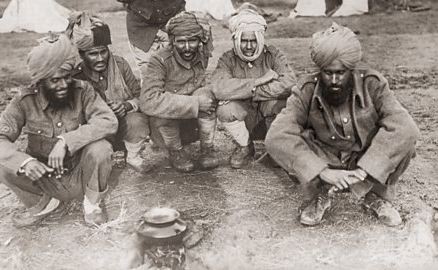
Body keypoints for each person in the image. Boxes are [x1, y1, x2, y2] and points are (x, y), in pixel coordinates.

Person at [265, 23, 420, 227]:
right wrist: (322, 171)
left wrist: (366, 169)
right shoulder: (306, 89)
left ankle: (374, 194)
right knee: (289, 143)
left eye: (341, 73)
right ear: (320, 70)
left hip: (363, 159)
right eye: (328, 73)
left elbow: (405, 128)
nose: (335, 80)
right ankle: (319, 194)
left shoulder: (372, 84)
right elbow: (276, 136)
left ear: (351, 69)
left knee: (405, 143)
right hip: (326, 159)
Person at [0, 34, 118, 227]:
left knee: (101, 148)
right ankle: (45, 205)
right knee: (3, 166)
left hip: (82, 175)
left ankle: (92, 204)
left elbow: (108, 121)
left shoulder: (83, 90)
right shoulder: (24, 101)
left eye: (67, 77)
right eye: (54, 80)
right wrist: (25, 162)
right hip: (45, 179)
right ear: (40, 81)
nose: (63, 85)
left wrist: (66, 141)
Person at [212, 9, 297, 168]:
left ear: (261, 39)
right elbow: (219, 88)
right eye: (244, 40)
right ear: (236, 39)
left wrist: (253, 92)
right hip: (245, 119)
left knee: (282, 104)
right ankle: (245, 146)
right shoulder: (228, 59)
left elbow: (289, 82)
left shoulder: (273, 55)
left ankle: (275, 148)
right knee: (225, 109)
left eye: (254, 40)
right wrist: (257, 81)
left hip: (269, 117)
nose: (249, 46)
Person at [67, 12, 151, 173]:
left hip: (122, 125)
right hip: (95, 129)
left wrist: (126, 106)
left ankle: (132, 154)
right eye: (93, 54)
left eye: (103, 51)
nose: (100, 58)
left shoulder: (120, 64)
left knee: (138, 120)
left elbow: (141, 96)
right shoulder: (76, 76)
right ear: (82, 55)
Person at [139, 11, 218, 173]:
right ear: (172, 41)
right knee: (167, 107)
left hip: (191, 124)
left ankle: (207, 149)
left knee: (207, 96)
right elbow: (148, 101)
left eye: (193, 41)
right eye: (181, 42)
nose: (187, 47)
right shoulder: (159, 60)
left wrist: (203, 99)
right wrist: (195, 103)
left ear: (200, 40)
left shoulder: (202, 54)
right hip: (166, 127)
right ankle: (175, 152)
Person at [116, 0, 186, 77]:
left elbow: (181, 7)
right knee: (149, 73)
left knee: (176, 70)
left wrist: (174, 25)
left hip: (168, 27)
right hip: (142, 31)